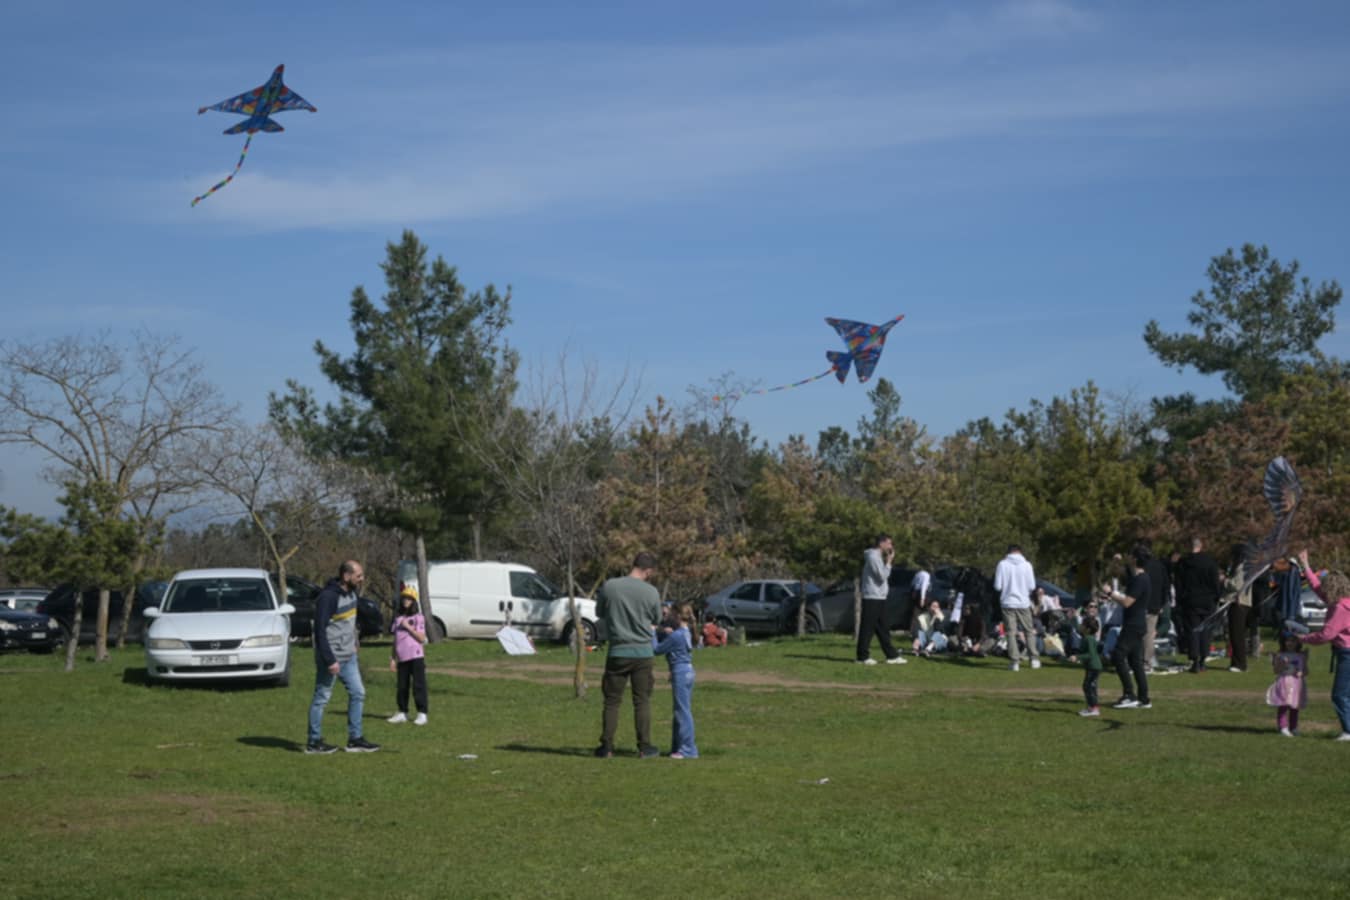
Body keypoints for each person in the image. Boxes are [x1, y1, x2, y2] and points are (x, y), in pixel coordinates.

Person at [306, 560, 380, 754]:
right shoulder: (328, 597)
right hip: (331, 657)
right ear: (346, 576)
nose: (362, 579)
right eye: (358, 576)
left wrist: (355, 642)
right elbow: (319, 631)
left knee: (358, 693)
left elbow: (351, 622)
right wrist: (330, 660)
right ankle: (313, 742)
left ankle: (355, 740)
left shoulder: (352, 594)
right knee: (321, 698)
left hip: (349, 656)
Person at [595, 551, 663, 758]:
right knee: (641, 700)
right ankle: (644, 746)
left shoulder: (610, 586)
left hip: (618, 650)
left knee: (612, 701)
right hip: (643, 652)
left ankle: (606, 747)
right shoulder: (651, 592)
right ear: (648, 571)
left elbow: (599, 613)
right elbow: (657, 618)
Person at [1294, 549, 1350, 742]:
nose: (1322, 592)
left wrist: (1303, 638)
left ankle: (1348, 731)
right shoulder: (1344, 601)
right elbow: (1317, 586)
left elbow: (1326, 635)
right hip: (1345, 653)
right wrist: (1305, 565)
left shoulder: (1340, 608)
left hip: (1347, 654)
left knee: (1339, 695)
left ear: (1332, 589)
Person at [1102, 550, 1151, 710]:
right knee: (1135, 662)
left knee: (1118, 655)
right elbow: (1121, 572)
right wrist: (1116, 562)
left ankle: (1129, 694)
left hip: (1133, 625)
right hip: (1136, 624)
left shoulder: (1140, 580)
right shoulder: (1139, 577)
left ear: (1135, 559)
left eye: (1131, 555)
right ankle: (1144, 698)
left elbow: (1127, 602)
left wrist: (1110, 593)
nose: (1128, 557)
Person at [653, 601, 699, 759]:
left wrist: (652, 632)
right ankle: (678, 747)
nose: (669, 616)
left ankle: (688, 750)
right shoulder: (685, 632)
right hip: (687, 670)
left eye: (672, 613)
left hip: (680, 672)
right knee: (682, 710)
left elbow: (656, 649)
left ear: (678, 616)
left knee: (682, 712)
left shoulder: (677, 635)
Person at [857, 534, 906, 665]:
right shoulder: (873, 556)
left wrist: (887, 561)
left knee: (883, 628)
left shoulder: (878, 557)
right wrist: (889, 562)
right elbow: (882, 576)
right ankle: (862, 657)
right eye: (889, 543)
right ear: (881, 543)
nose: (891, 546)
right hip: (872, 596)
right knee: (867, 627)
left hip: (879, 597)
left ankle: (892, 656)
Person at [1176, 536, 1222, 673]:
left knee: (1193, 630)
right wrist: (1217, 597)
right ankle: (1203, 659)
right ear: (1201, 546)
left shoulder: (1183, 563)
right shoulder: (1210, 562)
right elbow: (1215, 583)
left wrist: (1180, 599)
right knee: (1205, 631)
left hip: (1190, 600)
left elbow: (1179, 583)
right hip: (1207, 600)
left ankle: (1195, 659)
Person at [387, 585, 429, 726]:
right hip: (402, 657)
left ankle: (422, 713)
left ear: (414, 601)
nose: (406, 601)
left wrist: (409, 627)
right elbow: (396, 640)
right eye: (404, 598)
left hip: (416, 656)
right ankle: (402, 712)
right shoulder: (398, 619)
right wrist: (393, 658)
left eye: (409, 599)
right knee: (402, 686)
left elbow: (421, 638)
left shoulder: (418, 618)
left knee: (418, 685)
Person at [994, 544, 1039, 671]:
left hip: (1008, 603)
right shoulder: (1027, 565)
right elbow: (1032, 586)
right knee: (1029, 631)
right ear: (1020, 552)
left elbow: (997, 586)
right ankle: (1034, 659)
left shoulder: (1002, 564)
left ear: (1008, 552)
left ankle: (1014, 662)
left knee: (1010, 633)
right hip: (1023, 603)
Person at [1266, 632, 1308, 737]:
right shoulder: (1280, 655)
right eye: (1287, 641)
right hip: (1284, 682)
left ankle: (1293, 727)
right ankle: (1283, 727)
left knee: (1295, 706)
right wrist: (1281, 663)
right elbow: (1276, 670)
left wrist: (1302, 672)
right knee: (1283, 705)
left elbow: (1305, 670)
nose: (1290, 643)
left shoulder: (1300, 656)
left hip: (1297, 683)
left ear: (1298, 642)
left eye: (1293, 641)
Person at [1138, 540, 1169, 673]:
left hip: (1141, 603)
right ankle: (1146, 660)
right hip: (1155, 604)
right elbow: (1165, 586)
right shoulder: (1159, 566)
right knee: (1149, 634)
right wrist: (1162, 602)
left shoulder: (1140, 566)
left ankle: (1144, 661)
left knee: (1142, 634)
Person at [1077, 615, 1104, 717]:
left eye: (1082, 624)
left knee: (1088, 687)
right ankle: (1091, 707)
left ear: (1087, 629)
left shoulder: (1088, 639)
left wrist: (1078, 657)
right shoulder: (1088, 637)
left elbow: (1090, 654)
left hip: (1094, 667)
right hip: (1092, 666)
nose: (1080, 625)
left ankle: (1094, 708)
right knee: (1090, 686)